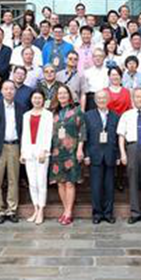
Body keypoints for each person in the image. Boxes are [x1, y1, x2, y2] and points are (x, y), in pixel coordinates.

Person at [0, 80, 25, 224]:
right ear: (1, 91)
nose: (9, 91)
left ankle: (11, 209)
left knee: (13, 179)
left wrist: (23, 150)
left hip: (15, 147)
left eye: (11, 89)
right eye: (6, 89)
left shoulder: (21, 108)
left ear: (15, 91)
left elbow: (23, 130)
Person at [117, 88, 141, 224]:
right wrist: (123, 153)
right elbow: (121, 136)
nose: (140, 99)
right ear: (133, 99)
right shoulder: (126, 115)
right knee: (132, 180)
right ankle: (134, 212)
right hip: (132, 148)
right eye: (137, 97)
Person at [50, 84, 86, 226]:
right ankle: (65, 210)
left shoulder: (77, 111)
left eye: (65, 93)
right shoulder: (53, 113)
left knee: (70, 182)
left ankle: (69, 212)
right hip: (56, 151)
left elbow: (82, 131)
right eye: (60, 93)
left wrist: (80, 149)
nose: (62, 96)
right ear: (56, 96)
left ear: (69, 96)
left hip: (71, 151)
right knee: (60, 182)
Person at [83, 90, 120, 224]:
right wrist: (86, 154)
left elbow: (118, 138)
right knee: (96, 186)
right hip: (94, 155)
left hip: (110, 154)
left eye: (104, 98)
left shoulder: (115, 116)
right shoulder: (88, 116)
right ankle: (97, 214)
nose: (102, 100)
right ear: (95, 100)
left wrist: (118, 155)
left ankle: (108, 213)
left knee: (109, 186)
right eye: (99, 98)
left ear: (108, 100)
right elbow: (85, 137)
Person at [20, 90, 52, 225]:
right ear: (31, 99)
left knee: (41, 181)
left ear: (43, 100)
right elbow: (24, 134)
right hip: (29, 151)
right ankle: (35, 208)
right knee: (32, 182)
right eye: (34, 98)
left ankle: (41, 210)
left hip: (41, 152)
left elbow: (49, 133)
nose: (37, 100)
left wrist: (45, 150)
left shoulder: (48, 115)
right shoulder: (26, 115)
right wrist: (22, 152)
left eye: (39, 98)